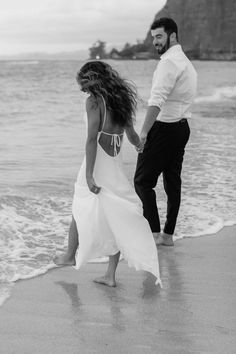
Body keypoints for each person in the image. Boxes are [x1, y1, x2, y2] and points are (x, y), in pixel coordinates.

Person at [54, 61, 161, 287]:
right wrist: (139, 144)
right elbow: (131, 134)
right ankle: (110, 275)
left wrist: (90, 175)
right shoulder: (120, 100)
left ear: (93, 79)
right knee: (116, 214)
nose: (82, 89)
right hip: (114, 164)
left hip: (97, 163)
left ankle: (69, 255)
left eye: (84, 83)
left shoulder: (94, 102)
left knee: (78, 205)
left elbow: (92, 139)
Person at [134, 18, 197, 246]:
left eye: (159, 36)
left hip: (163, 129)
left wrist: (143, 133)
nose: (155, 42)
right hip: (181, 128)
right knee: (172, 182)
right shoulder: (186, 63)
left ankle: (152, 234)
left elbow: (156, 100)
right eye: (153, 37)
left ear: (172, 36)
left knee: (142, 181)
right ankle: (167, 235)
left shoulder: (169, 63)